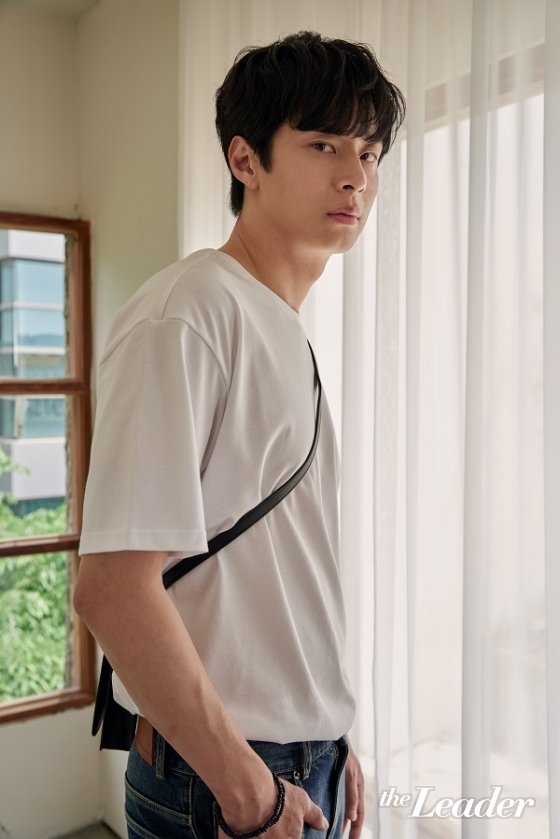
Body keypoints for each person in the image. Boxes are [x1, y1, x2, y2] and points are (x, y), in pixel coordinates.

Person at [75, 30, 405, 839]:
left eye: (369, 152)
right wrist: (251, 789)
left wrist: (328, 733)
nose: (356, 175)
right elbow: (112, 587)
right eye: (324, 143)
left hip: (295, 761)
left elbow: (275, 577)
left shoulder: (278, 326)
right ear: (245, 159)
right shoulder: (188, 314)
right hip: (224, 782)